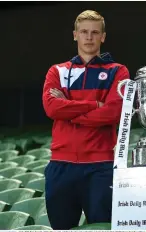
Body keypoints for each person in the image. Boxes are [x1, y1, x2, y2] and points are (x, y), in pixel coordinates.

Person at [42, 10, 129, 229]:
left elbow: (113, 113)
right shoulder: (57, 71)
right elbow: (52, 108)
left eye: (94, 32)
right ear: (75, 35)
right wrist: (93, 105)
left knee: (101, 228)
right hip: (60, 166)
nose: (89, 37)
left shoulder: (118, 72)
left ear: (103, 37)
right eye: (83, 32)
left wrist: (69, 110)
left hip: (101, 166)